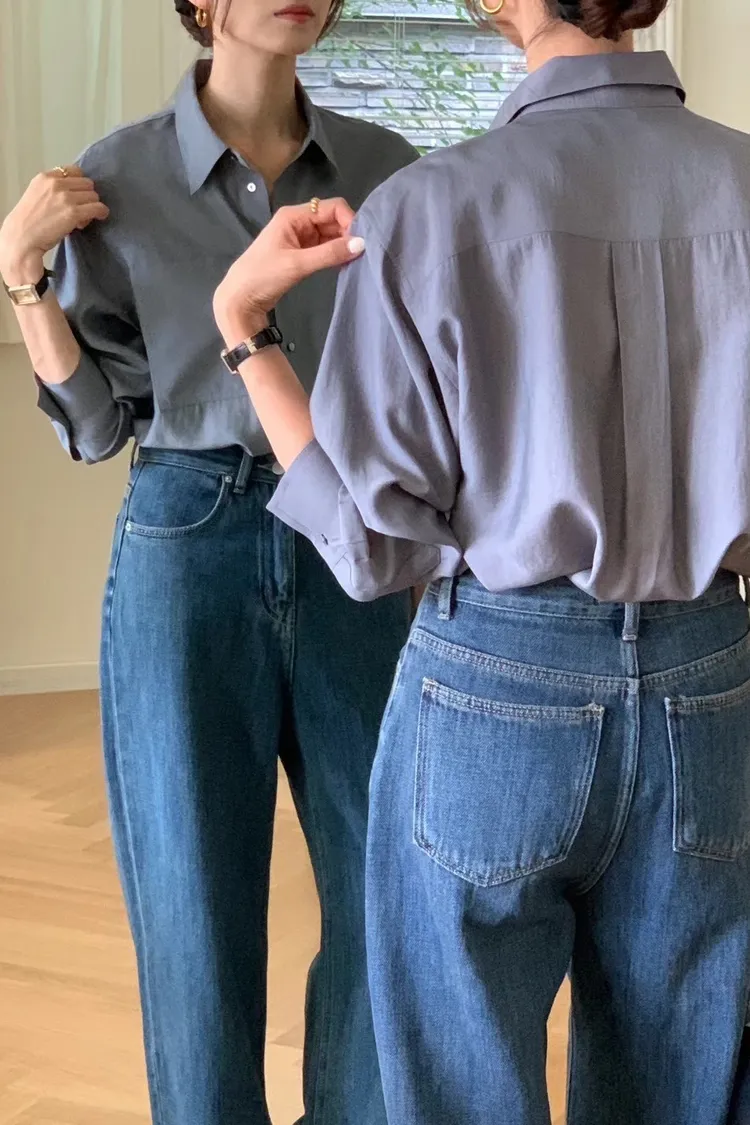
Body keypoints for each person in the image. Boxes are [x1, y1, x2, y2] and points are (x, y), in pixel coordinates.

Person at [208, 0, 750, 1122]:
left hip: (495, 680)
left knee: (458, 1093)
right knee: (686, 1088)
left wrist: (247, 331)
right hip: (714, 683)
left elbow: (373, 544)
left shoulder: (431, 206)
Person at [0, 3, 418, 1124]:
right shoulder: (113, 178)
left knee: (385, 886)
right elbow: (98, 427)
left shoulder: (389, 171)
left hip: (352, 541)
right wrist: (23, 274)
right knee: (192, 909)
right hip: (190, 537)